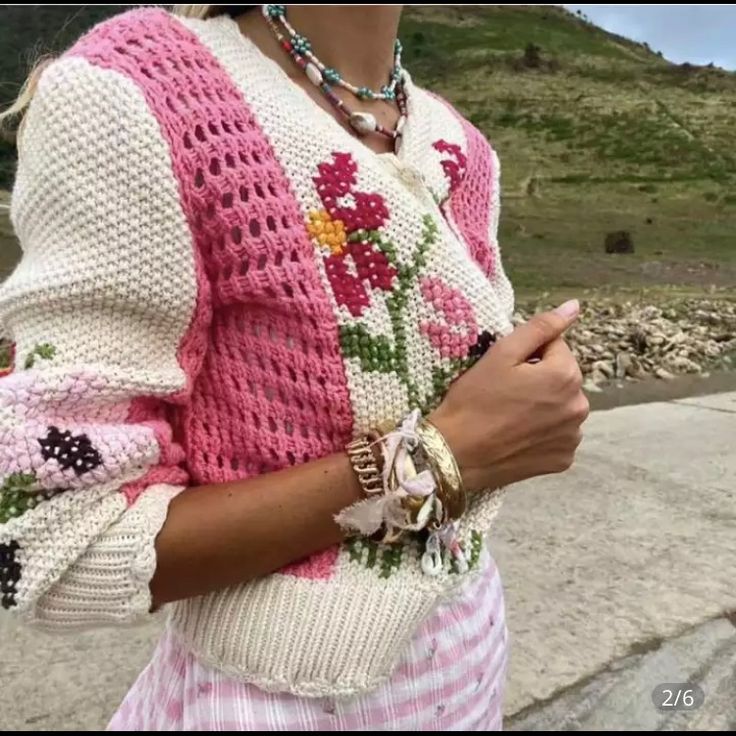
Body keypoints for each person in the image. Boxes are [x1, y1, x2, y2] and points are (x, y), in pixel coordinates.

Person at [0, 4, 588, 730]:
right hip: (275, 703)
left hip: (469, 658)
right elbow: (55, 539)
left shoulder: (460, 146)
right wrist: (432, 464)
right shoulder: (143, 91)